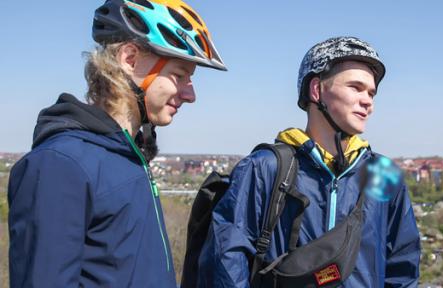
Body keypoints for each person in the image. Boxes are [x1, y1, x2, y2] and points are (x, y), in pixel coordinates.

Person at [8, 0, 226, 287]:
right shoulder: (59, 165)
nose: (190, 94)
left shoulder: (130, 157)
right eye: (179, 75)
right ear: (130, 59)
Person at [197, 36, 420, 287]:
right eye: (355, 87)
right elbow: (227, 261)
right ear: (317, 90)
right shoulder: (265, 167)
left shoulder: (382, 175)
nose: (368, 101)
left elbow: (403, 266)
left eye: (371, 92)